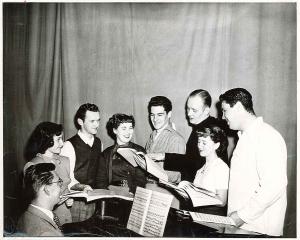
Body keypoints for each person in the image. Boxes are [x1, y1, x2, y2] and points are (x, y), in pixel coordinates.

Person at [219, 88, 287, 236]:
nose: (223, 117)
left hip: (258, 230)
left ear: (237, 107)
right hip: (243, 228)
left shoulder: (267, 136)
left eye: (225, 111)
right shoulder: (244, 138)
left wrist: (242, 216)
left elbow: (275, 185)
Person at [147, 89, 226, 182]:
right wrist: (163, 156)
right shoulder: (201, 126)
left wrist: (164, 157)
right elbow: (192, 159)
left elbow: (195, 163)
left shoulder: (211, 129)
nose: (189, 113)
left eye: (194, 110)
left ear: (206, 110)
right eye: (188, 108)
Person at [23, 122, 81, 225]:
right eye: (58, 139)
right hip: (45, 221)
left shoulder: (65, 161)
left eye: (61, 139)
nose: (62, 144)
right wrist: (58, 201)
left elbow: (66, 186)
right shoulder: (33, 165)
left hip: (66, 218)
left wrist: (69, 198)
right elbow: (33, 202)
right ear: (47, 141)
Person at [60, 103, 102, 222]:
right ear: (80, 121)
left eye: (98, 120)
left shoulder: (99, 143)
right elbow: (66, 179)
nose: (97, 125)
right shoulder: (68, 146)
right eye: (92, 121)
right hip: (75, 203)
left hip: (94, 200)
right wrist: (82, 187)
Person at [95, 114, 147, 193]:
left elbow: (141, 179)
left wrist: (131, 193)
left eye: (130, 128)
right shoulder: (106, 154)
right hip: (111, 197)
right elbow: (100, 181)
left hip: (132, 196)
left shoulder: (139, 150)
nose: (128, 132)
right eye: (124, 128)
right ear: (115, 130)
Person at [145, 96, 186, 183]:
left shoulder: (176, 139)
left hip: (164, 192)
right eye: (152, 115)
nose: (155, 119)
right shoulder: (152, 135)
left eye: (160, 115)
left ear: (169, 114)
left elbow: (174, 176)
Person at [191, 124, 229, 215]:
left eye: (204, 143)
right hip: (198, 214)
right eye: (199, 142)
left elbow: (222, 201)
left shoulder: (221, 167)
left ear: (216, 145)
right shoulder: (200, 169)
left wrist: (199, 195)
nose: (199, 146)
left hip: (212, 217)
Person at [17, 163, 64, 236]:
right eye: (59, 182)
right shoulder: (47, 234)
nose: (61, 187)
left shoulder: (25, 215)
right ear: (47, 189)